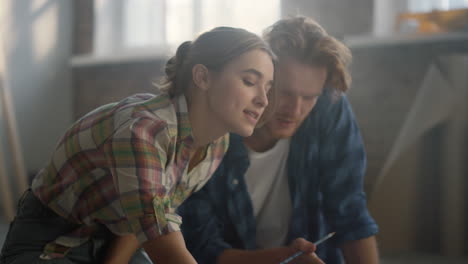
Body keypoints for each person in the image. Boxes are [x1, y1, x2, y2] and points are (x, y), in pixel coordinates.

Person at [0, 26, 277, 264]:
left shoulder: (217, 144)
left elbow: (143, 218)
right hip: (53, 240)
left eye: (267, 88)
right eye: (250, 81)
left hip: (112, 237)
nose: (263, 100)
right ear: (202, 77)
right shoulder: (144, 131)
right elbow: (164, 245)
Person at [178, 16, 380, 264]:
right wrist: (282, 259)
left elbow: (350, 215)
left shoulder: (329, 108)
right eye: (284, 92)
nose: (295, 110)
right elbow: (202, 248)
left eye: (309, 97)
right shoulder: (213, 128)